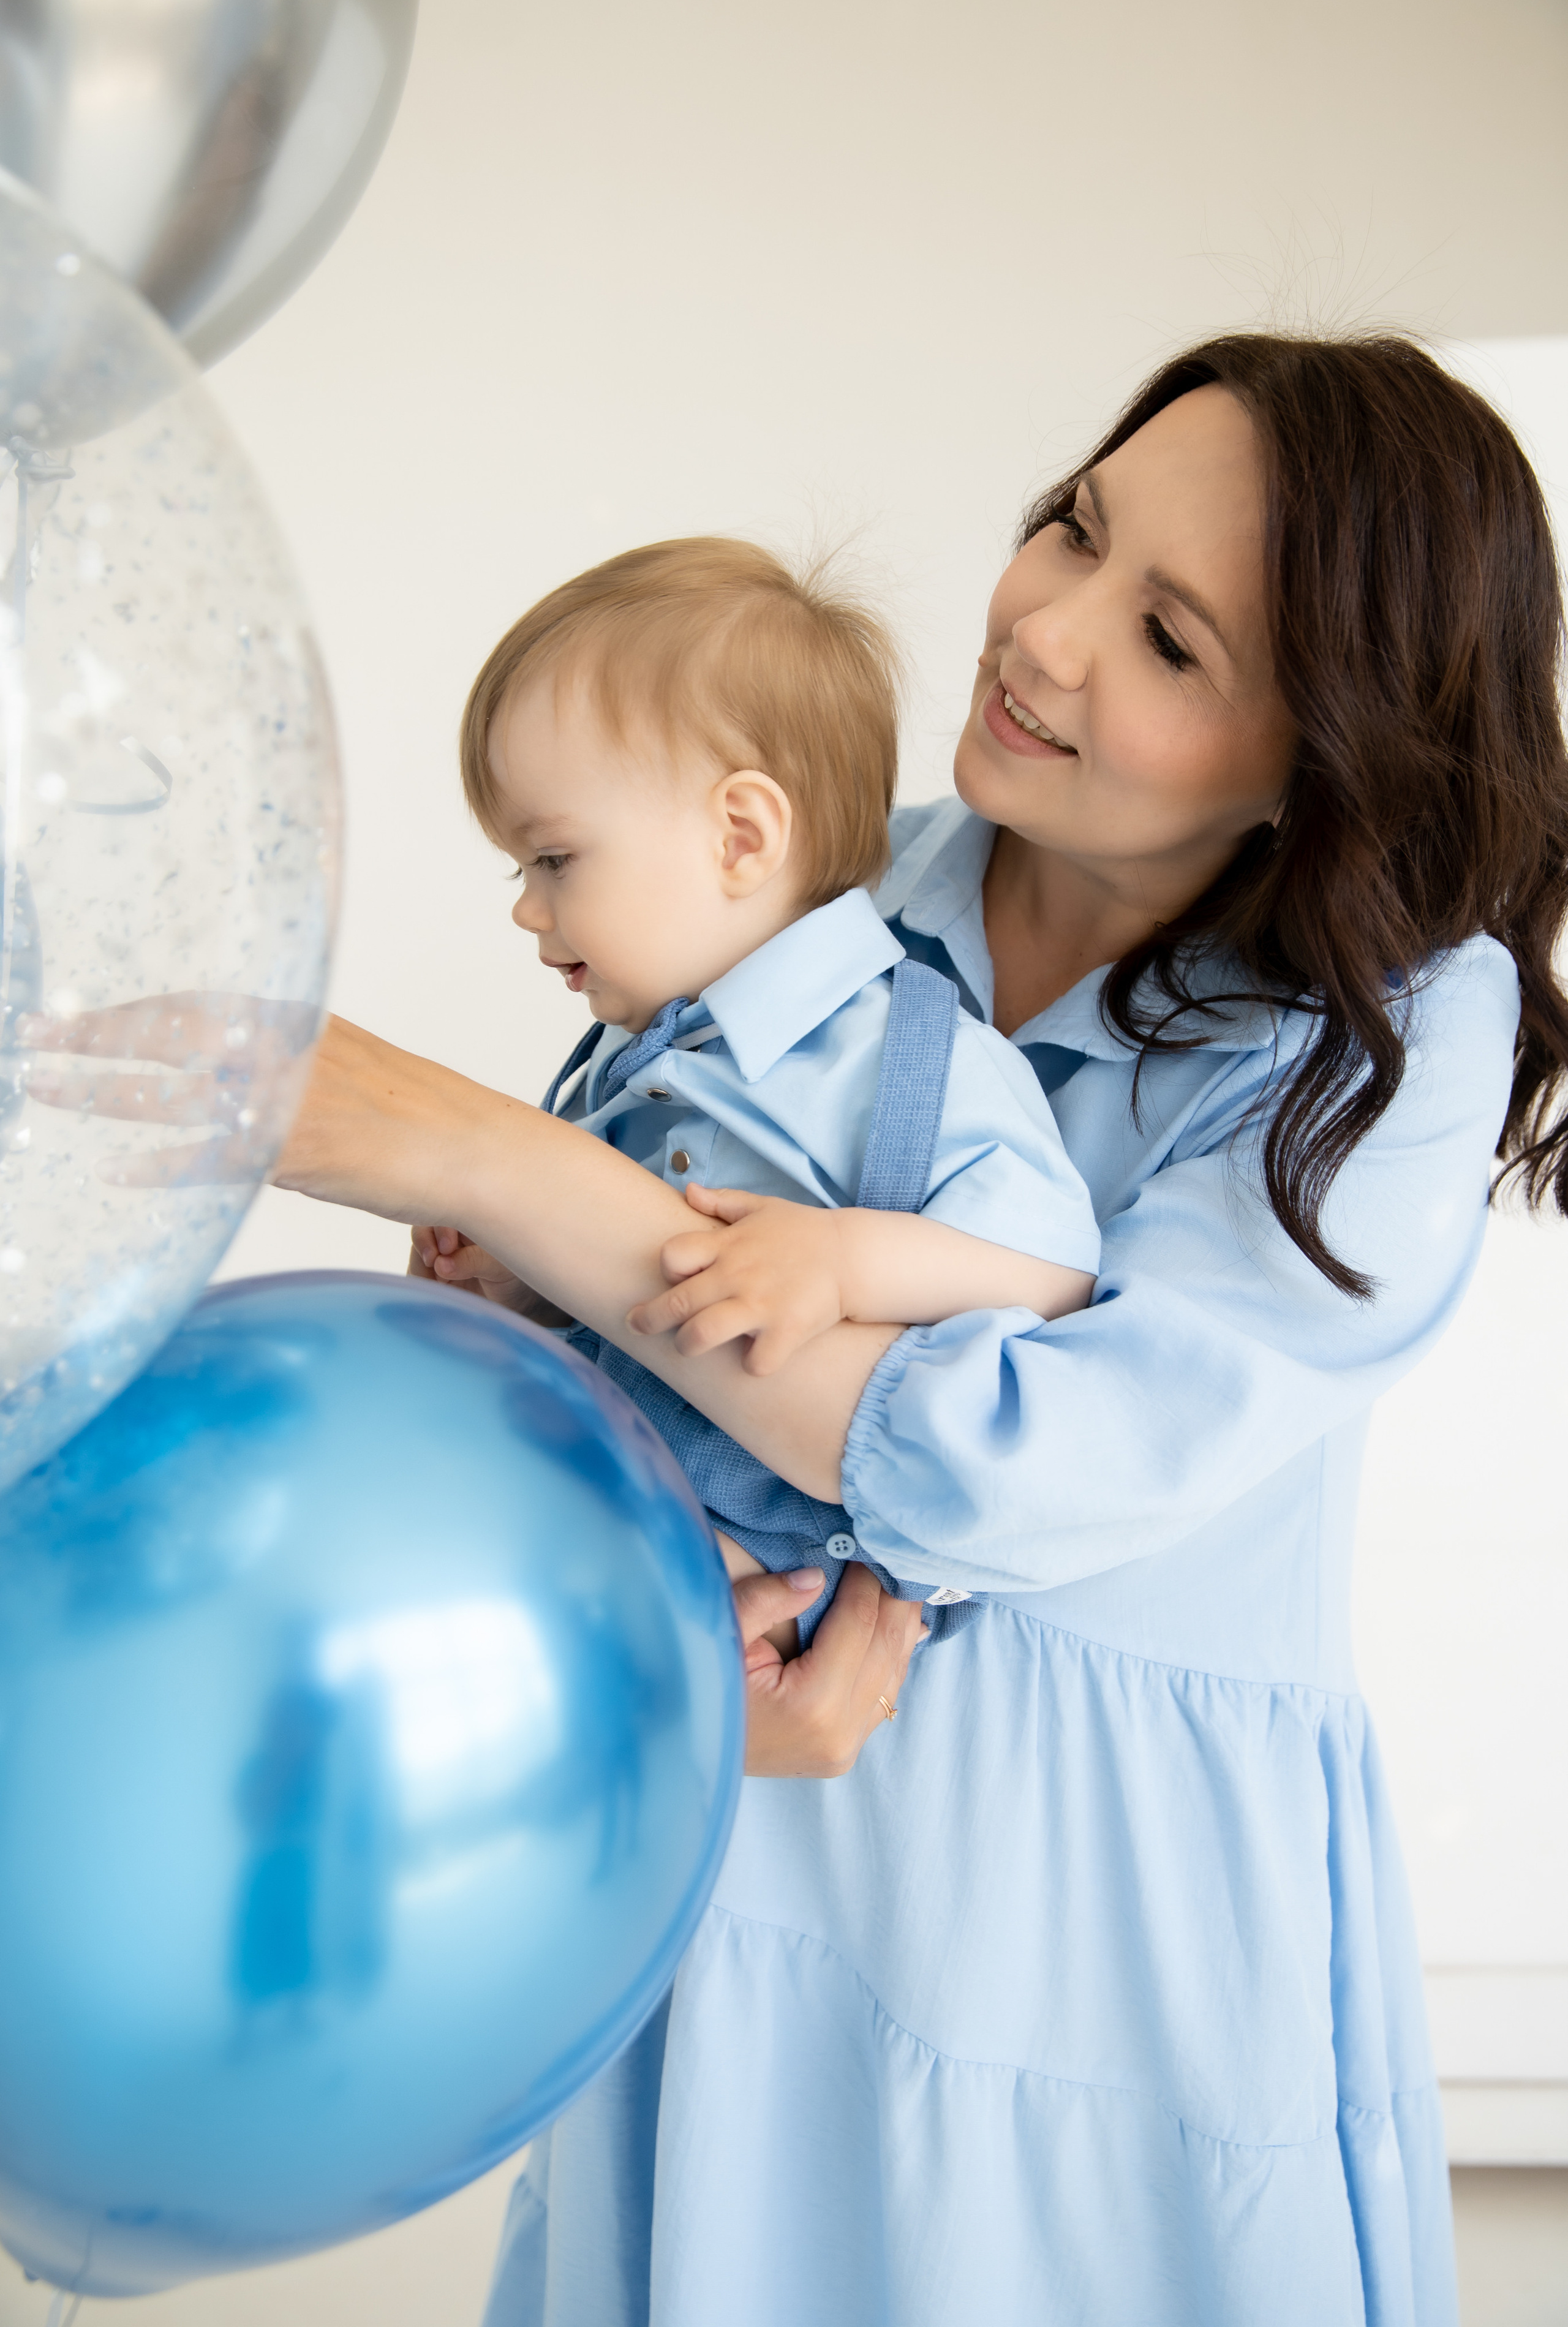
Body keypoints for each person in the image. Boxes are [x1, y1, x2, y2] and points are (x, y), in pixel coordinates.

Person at [53, 330, 1568, 2322]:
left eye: (1173, 640)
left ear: (1324, 741)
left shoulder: (1396, 1021)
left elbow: (1019, 1457)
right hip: (750, 1876)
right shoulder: (829, 886)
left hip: (1093, 1929)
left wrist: (484, 1156)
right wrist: (664, 1606)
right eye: (1074, 527)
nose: (1043, 634)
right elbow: (655, 1384)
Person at [407, 535, 1099, 1646]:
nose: (528, 911)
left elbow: (1053, 1270)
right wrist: (519, 1274)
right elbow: (631, 1289)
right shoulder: (624, 1068)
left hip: (749, 1556)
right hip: (584, 1492)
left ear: (741, 836)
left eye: (553, 860)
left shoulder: (912, 1053)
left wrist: (841, 1262)